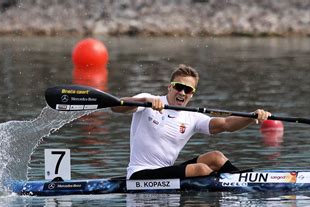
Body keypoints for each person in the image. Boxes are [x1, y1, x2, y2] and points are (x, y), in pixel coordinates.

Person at [112, 64, 271, 180]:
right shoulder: (148, 101)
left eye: (187, 90)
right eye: (178, 87)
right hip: (140, 174)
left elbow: (226, 124)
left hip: (166, 172)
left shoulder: (192, 116)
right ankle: (225, 186)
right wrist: (144, 101)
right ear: (170, 87)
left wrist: (251, 117)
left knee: (215, 157)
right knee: (200, 169)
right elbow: (116, 107)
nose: (182, 92)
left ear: (192, 95)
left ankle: (244, 181)